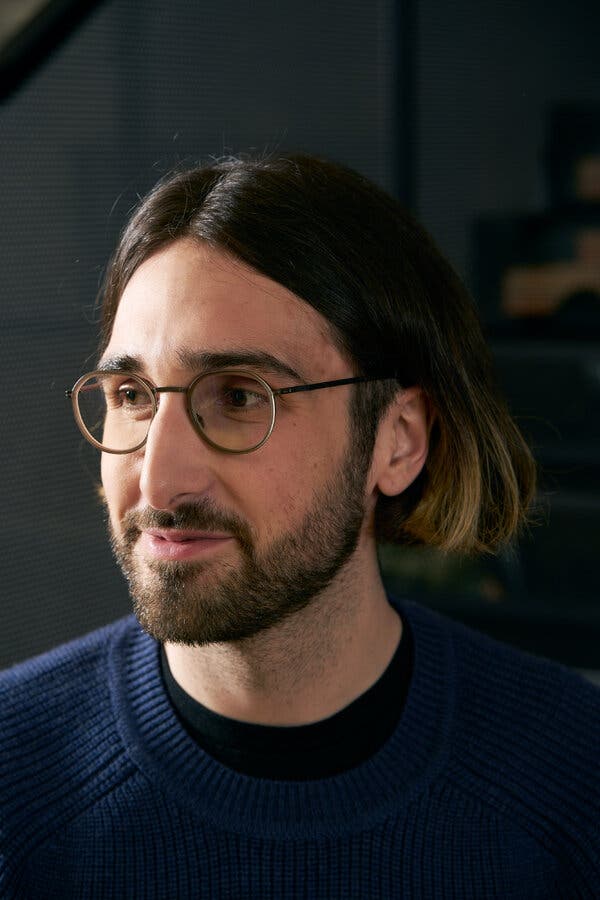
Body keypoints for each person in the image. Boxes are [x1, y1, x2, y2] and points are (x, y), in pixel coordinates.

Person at [1, 153, 598, 899]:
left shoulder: (576, 776)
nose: (156, 478)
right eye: (132, 394)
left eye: (242, 397)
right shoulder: (13, 781)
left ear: (398, 440)